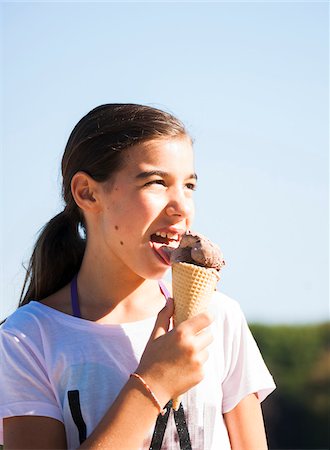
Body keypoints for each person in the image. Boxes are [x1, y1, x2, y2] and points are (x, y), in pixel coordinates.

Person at [0, 103, 275, 450]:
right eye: (156, 182)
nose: (182, 207)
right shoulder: (27, 339)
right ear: (87, 192)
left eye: (189, 186)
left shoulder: (219, 318)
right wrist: (153, 384)